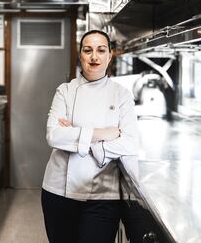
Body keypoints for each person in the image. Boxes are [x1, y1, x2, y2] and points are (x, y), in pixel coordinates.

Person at [41, 29, 144, 243]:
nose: (94, 57)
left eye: (101, 50)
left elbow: (131, 143)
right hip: (59, 191)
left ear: (110, 55)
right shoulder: (65, 91)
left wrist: (84, 141)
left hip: (104, 195)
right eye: (87, 51)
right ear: (80, 55)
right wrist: (106, 134)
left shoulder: (121, 94)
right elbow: (54, 136)